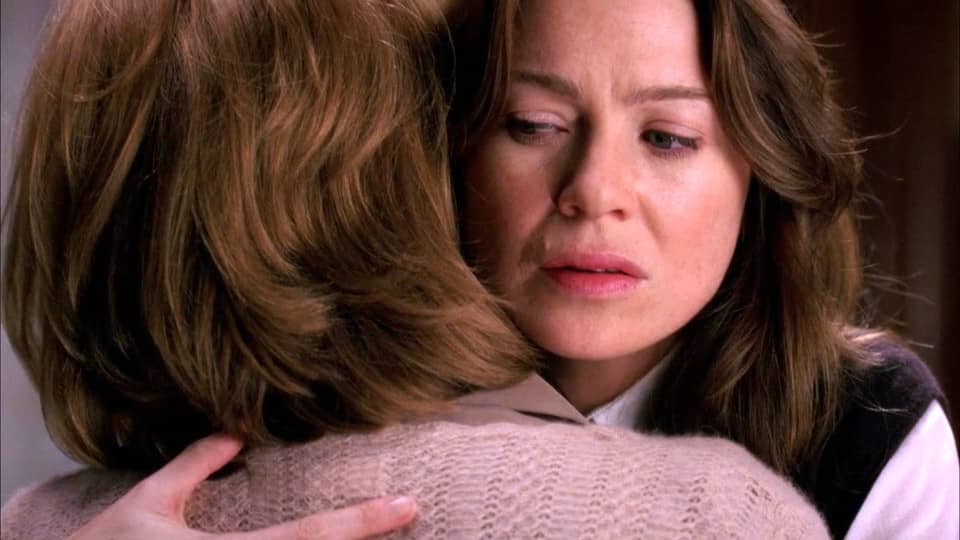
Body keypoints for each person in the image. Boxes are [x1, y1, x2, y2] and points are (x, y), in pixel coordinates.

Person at [77, 0, 957, 538]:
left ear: (760, 173)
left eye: (667, 138)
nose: (594, 191)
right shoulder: (334, 387)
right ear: (447, 149)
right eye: (532, 125)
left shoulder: (869, 425)